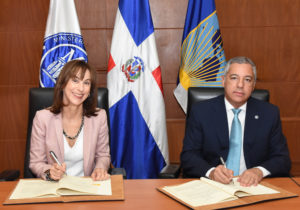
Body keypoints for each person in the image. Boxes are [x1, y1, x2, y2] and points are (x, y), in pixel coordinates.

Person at [181, 56, 291, 186]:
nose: (240, 85)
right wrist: (211, 172)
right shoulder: (201, 112)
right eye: (234, 78)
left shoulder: (269, 113)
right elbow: (188, 157)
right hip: (213, 186)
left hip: (253, 187)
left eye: (247, 80)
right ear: (223, 81)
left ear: (253, 85)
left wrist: (258, 171)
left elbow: (282, 159)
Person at [30, 60, 110, 181]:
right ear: (63, 84)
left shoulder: (99, 117)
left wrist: (100, 168)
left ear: (90, 91)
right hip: (54, 188)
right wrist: (49, 172)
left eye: (86, 83)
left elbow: (103, 156)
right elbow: (36, 162)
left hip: (87, 187)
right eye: (75, 80)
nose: (81, 88)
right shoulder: (42, 118)